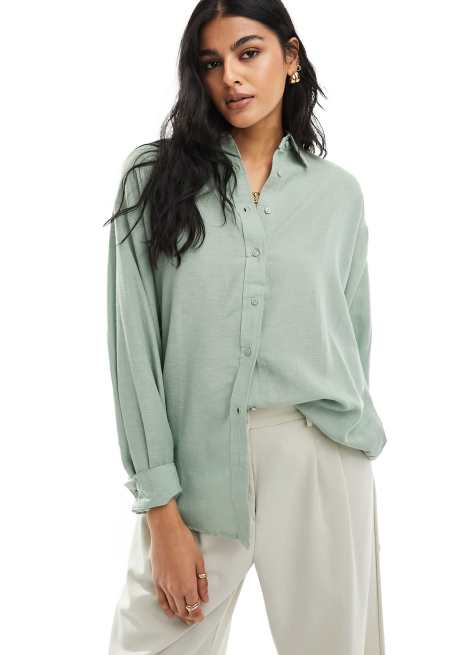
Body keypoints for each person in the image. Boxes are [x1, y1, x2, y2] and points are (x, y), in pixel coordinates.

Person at [105, 2, 387, 653]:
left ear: (290, 58)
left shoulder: (338, 195)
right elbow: (133, 347)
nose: (230, 76)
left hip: (320, 457)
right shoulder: (152, 179)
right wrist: (160, 509)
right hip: (196, 470)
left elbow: (352, 339)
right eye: (211, 62)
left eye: (248, 52)